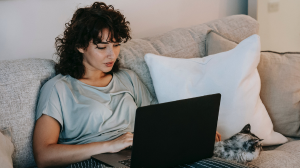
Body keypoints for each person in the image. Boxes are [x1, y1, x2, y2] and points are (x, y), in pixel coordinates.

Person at [32, 2, 221, 168]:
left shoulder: (128, 78)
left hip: (139, 155)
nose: (111, 54)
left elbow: (159, 124)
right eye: (101, 47)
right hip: (92, 160)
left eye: (115, 45)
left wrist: (195, 133)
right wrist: (110, 145)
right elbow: (44, 156)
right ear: (80, 46)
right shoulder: (59, 88)